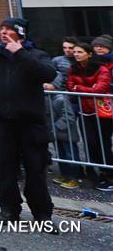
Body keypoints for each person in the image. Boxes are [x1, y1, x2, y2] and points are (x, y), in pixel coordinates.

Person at [0, 17, 57, 224]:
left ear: (21, 33)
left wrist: (19, 53)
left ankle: (42, 214)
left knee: (35, 170)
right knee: (6, 170)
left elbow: (48, 74)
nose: (4, 32)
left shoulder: (35, 55)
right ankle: (9, 210)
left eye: (9, 29)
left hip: (30, 124)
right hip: (3, 123)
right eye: (2, 29)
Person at [67, 40, 113, 191]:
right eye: (75, 52)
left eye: (80, 52)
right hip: (85, 110)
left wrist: (79, 87)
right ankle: (97, 172)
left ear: (89, 54)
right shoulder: (73, 68)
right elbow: (69, 86)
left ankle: (109, 174)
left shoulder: (101, 68)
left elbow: (101, 88)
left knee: (103, 142)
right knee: (89, 142)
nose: (76, 55)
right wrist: (86, 89)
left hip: (101, 111)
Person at [49, 36, 84, 187]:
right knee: (60, 137)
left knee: (71, 139)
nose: (69, 51)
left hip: (72, 101)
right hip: (58, 100)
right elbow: (51, 75)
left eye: (71, 48)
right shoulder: (57, 61)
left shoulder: (79, 62)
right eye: (65, 48)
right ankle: (66, 172)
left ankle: (75, 173)